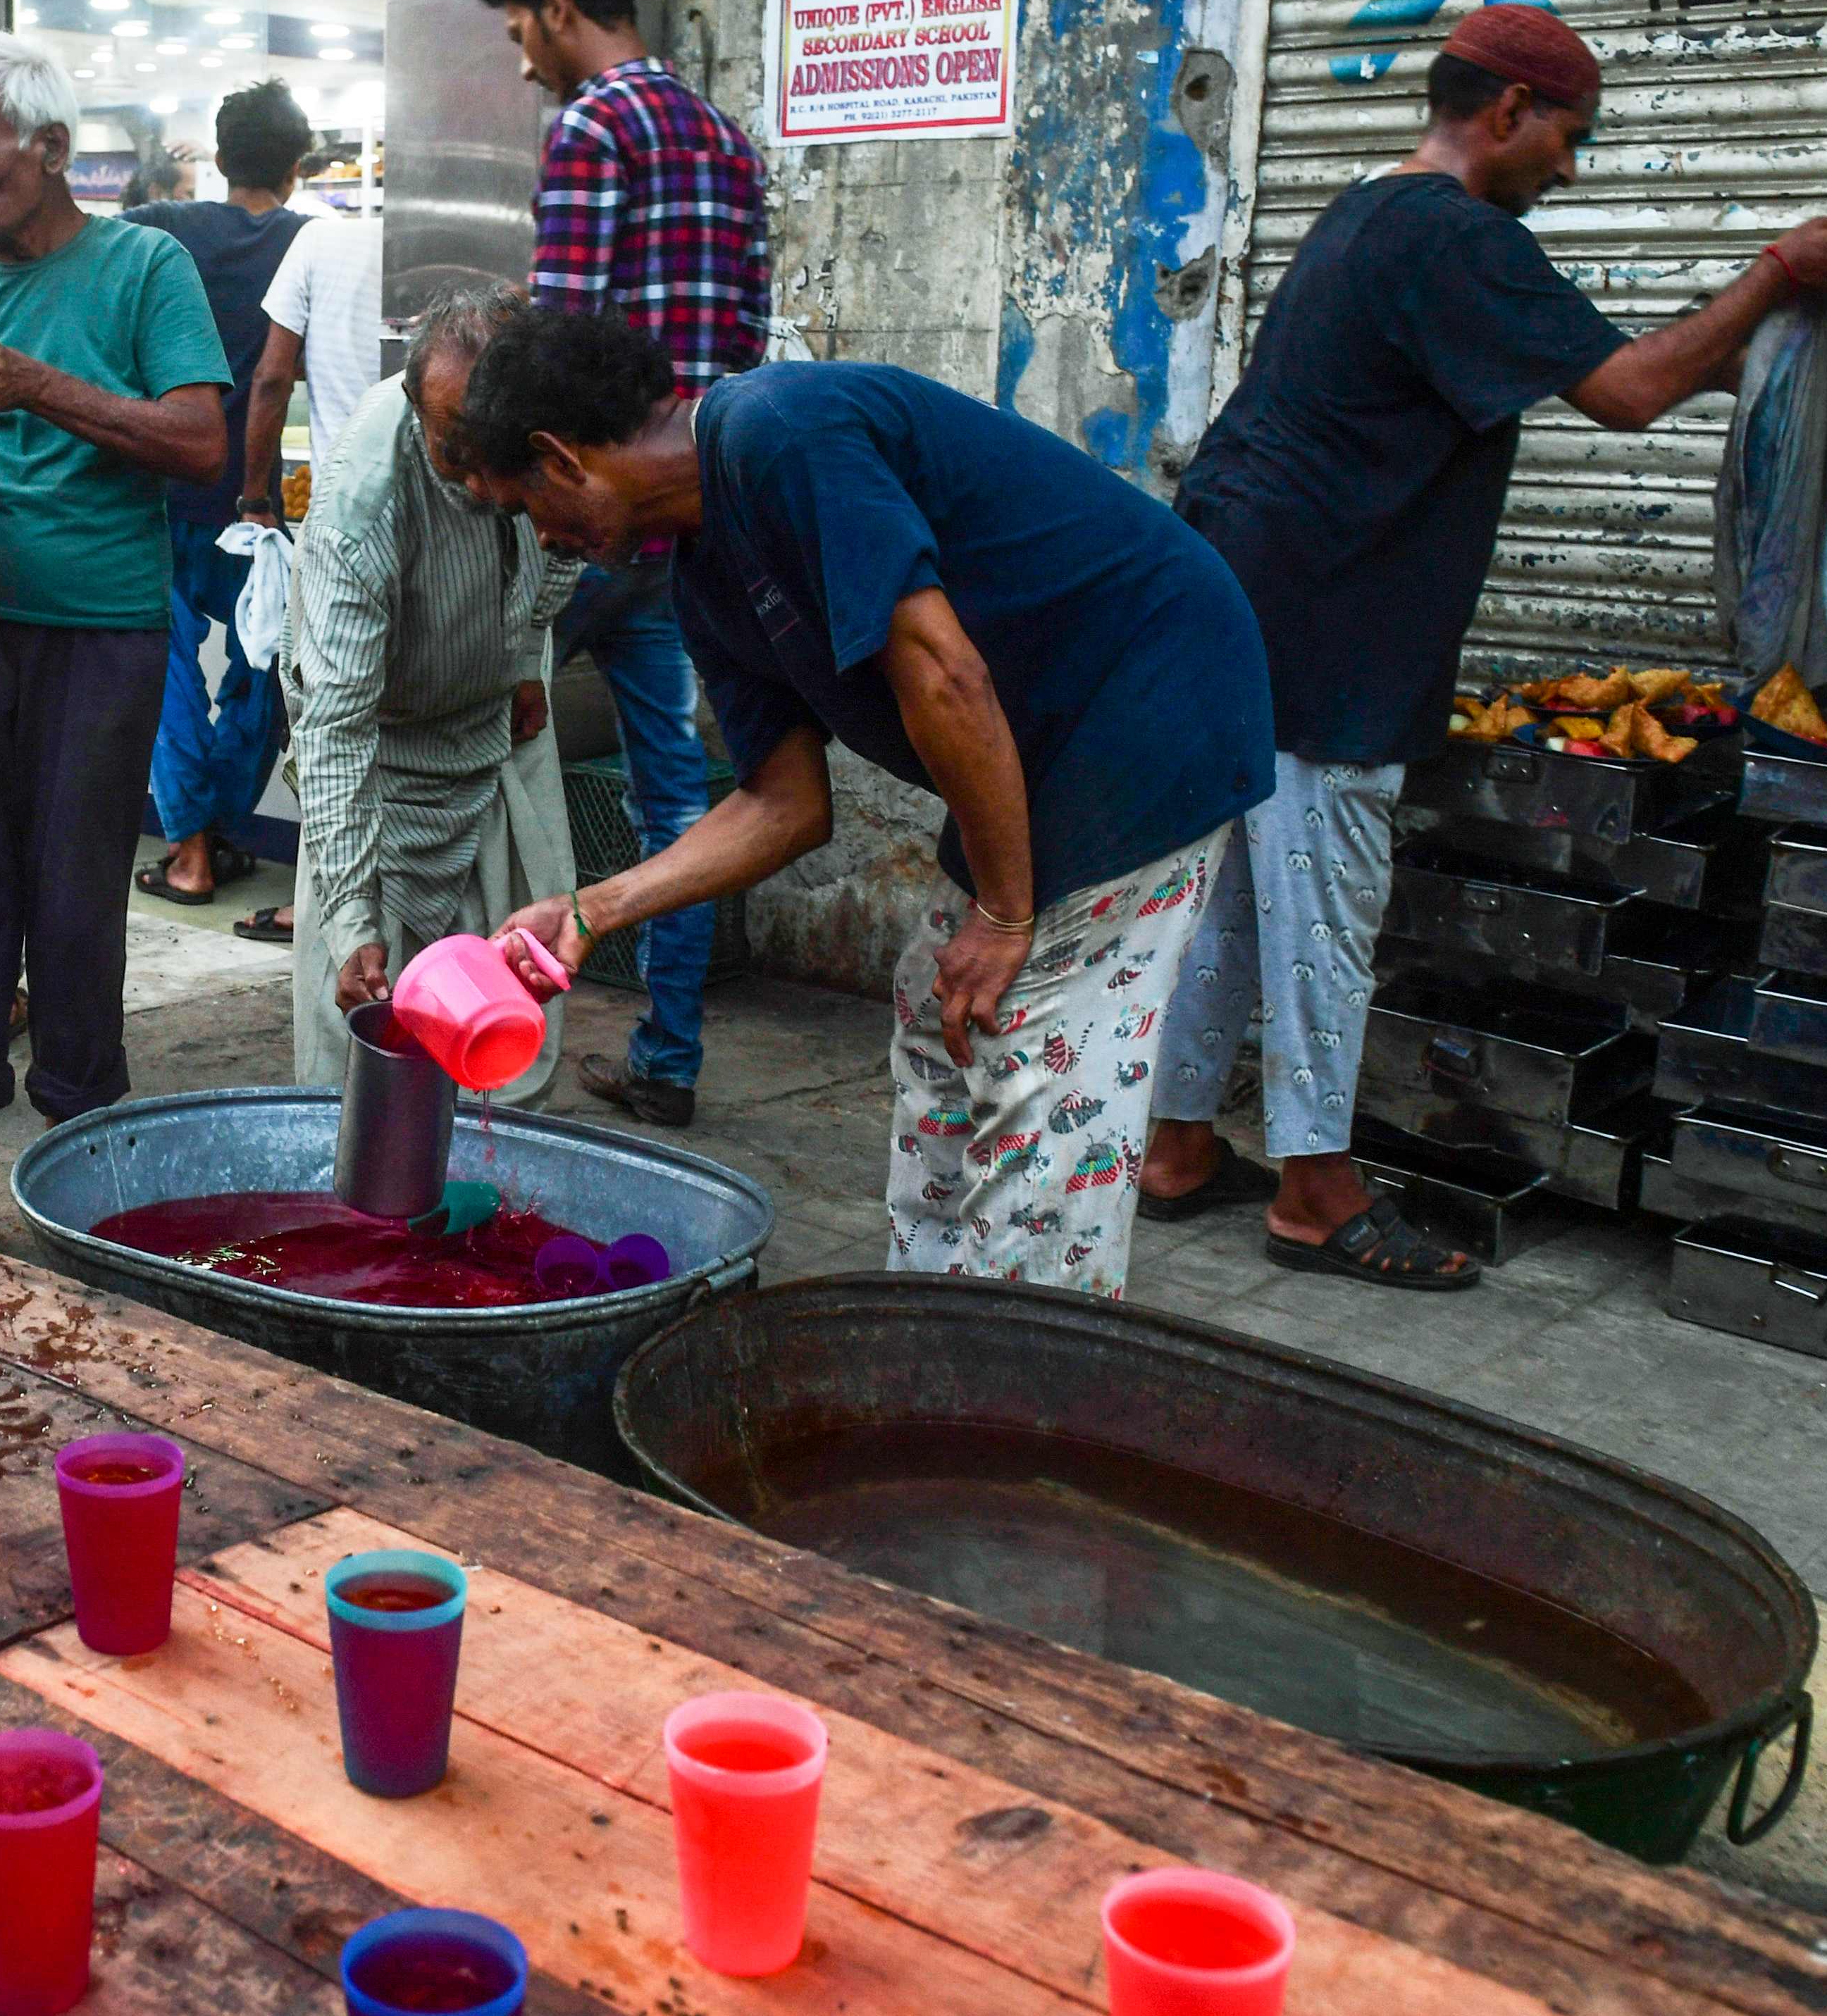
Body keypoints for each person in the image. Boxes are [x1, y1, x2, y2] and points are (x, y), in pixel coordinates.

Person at [1143, 2, 1827, 1292]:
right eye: (1567, 138)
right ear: (1508, 113)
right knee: (1325, 907)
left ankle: (1176, 1149)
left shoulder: (1367, 209)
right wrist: (1775, 275)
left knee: (1238, 896)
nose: (1569, 170)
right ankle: (1313, 1192)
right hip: (1328, 623)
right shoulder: (1449, 235)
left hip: (1247, 599)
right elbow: (1627, 392)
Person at [457, 310, 1273, 1296]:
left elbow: (945, 676)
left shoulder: (776, 430)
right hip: (1041, 749)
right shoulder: (703, 573)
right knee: (940, 1019)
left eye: (526, 507)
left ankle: (1017, 1369)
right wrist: (590, 913)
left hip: (1155, 701)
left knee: (1034, 1054)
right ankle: (924, 1327)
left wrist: (1007, 912)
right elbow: (784, 803)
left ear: (559, 455)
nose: (546, 540)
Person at [0, 32, 229, 1236]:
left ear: (49, 150)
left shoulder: (144, 268)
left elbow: (198, 444)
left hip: (98, 628)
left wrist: (38, 388)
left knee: (74, 900)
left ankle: (78, 1177)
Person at [473, 0, 768, 1130]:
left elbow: (553, 347)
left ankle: (481, 1039)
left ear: (555, 6)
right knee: (674, 794)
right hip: (683, 508)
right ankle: (667, 1053)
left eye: (515, 33)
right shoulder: (722, 135)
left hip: (583, 509)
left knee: (483, 759)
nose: (520, 63)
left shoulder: (595, 125)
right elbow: (742, 334)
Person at [284, 282, 579, 1101]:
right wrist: (352, 924)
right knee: (356, 1044)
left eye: (497, 457)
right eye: (454, 451)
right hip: (377, 745)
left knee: (516, 1008)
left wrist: (525, 655)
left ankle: (497, 1186)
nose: (482, 487)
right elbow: (336, 726)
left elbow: (566, 538)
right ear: (416, 408)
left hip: (493, 726)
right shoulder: (359, 504)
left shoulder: (536, 433)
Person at [124, 80, 310, 907]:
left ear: (221, 157)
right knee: (258, 666)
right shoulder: (309, 242)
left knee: (166, 676)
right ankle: (227, 830)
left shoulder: (164, 228)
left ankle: (189, 851)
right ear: (300, 166)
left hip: (164, 491)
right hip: (254, 504)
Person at [230, 207, 386, 946]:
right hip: (453, 514)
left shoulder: (322, 239)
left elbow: (271, 378)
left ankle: (324, 909)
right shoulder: (473, 231)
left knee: (328, 727)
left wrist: (255, 497)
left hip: (340, 522)